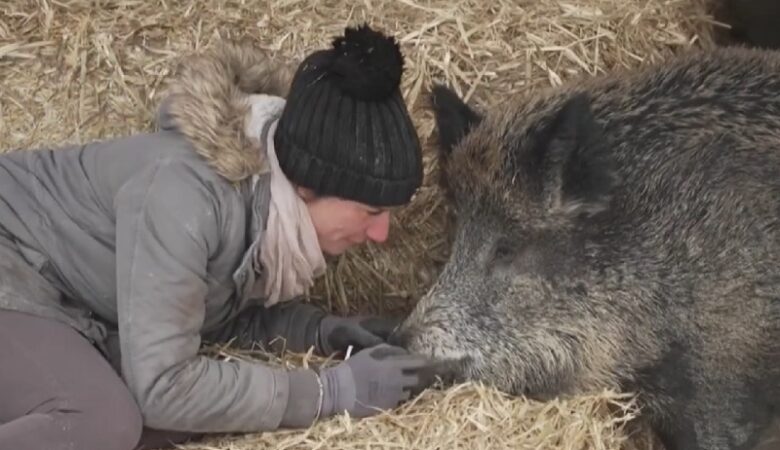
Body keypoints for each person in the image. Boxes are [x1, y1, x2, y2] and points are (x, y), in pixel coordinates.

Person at [0, 24, 440, 450]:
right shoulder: (187, 198)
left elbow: (209, 315)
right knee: (101, 420)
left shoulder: (266, 207)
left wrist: (324, 333)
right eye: (372, 211)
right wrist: (327, 393)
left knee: (159, 419)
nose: (381, 233)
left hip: (61, 297)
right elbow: (165, 389)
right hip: (12, 262)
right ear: (307, 185)